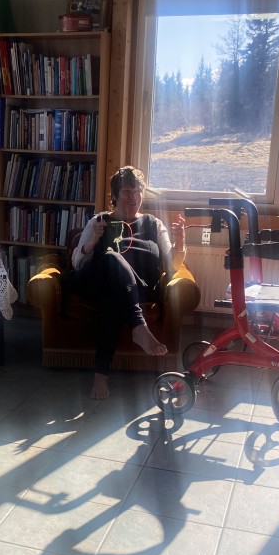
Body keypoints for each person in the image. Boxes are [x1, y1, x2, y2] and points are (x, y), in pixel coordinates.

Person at [70, 165, 186, 399]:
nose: (132, 197)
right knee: (111, 258)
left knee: (113, 299)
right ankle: (139, 328)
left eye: (137, 190)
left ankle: (100, 376)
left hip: (137, 288)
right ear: (115, 195)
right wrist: (93, 240)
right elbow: (76, 263)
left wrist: (181, 241)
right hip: (97, 282)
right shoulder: (99, 221)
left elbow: (172, 265)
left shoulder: (154, 224)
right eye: (126, 191)